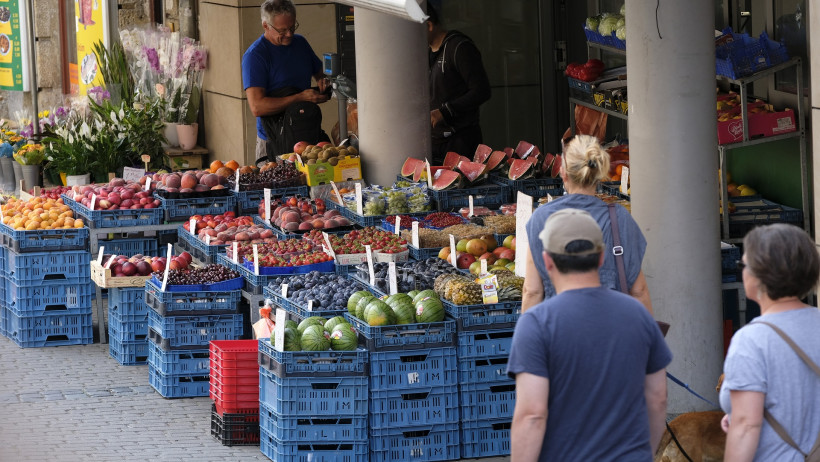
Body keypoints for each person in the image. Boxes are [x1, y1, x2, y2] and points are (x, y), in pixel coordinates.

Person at [507, 208, 672, 461]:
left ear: (547, 261)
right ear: (602, 257)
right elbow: (658, 398)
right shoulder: (639, 316)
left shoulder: (536, 324)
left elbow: (532, 414)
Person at [720, 223, 820, 462]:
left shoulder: (751, 340)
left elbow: (746, 425)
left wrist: (739, 415)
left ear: (758, 276)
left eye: (743, 265)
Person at [521, 134, 653, 313]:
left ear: (563, 172)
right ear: (600, 175)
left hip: (560, 331)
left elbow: (532, 291)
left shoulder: (541, 218)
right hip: (612, 333)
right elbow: (639, 291)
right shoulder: (619, 218)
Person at [242, 0, 331, 160]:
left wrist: (322, 82)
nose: (289, 34)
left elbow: (320, 72)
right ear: (266, 25)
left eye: (292, 27)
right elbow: (257, 107)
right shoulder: (255, 56)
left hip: (306, 134)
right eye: (282, 31)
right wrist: (301, 97)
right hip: (273, 139)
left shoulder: (300, 43)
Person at [426, 4, 491, 165]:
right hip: (435, 143)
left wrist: (444, 112)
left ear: (428, 25)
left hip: (461, 142)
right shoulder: (424, 53)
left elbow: (482, 91)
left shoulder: (460, 47)